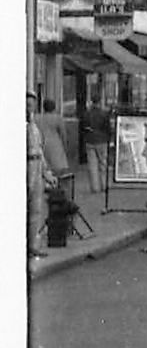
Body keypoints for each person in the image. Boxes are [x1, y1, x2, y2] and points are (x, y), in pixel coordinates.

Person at [26, 94, 57, 257]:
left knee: (36, 209)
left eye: (31, 105)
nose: (28, 109)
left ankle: (32, 246)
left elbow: (39, 151)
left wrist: (47, 173)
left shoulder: (34, 126)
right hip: (25, 167)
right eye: (26, 105)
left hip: (36, 166)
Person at [36, 97, 71, 182]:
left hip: (42, 145)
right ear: (54, 107)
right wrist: (65, 147)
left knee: (46, 169)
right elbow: (63, 134)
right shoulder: (58, 118)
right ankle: (58, 190)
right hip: (56, 146)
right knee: (59, 171)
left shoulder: (37, 118)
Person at [81, 98, 111, 194]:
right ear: (99, 102)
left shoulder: (87, 114)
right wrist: (109, 138)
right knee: (103, 164)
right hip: (102, 140)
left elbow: (83, 127)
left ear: (91, 103)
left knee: (92, 165)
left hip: (90, 140)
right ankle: (104, 185)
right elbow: (108, 128)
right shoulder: (104, 114)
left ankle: (95, 187)